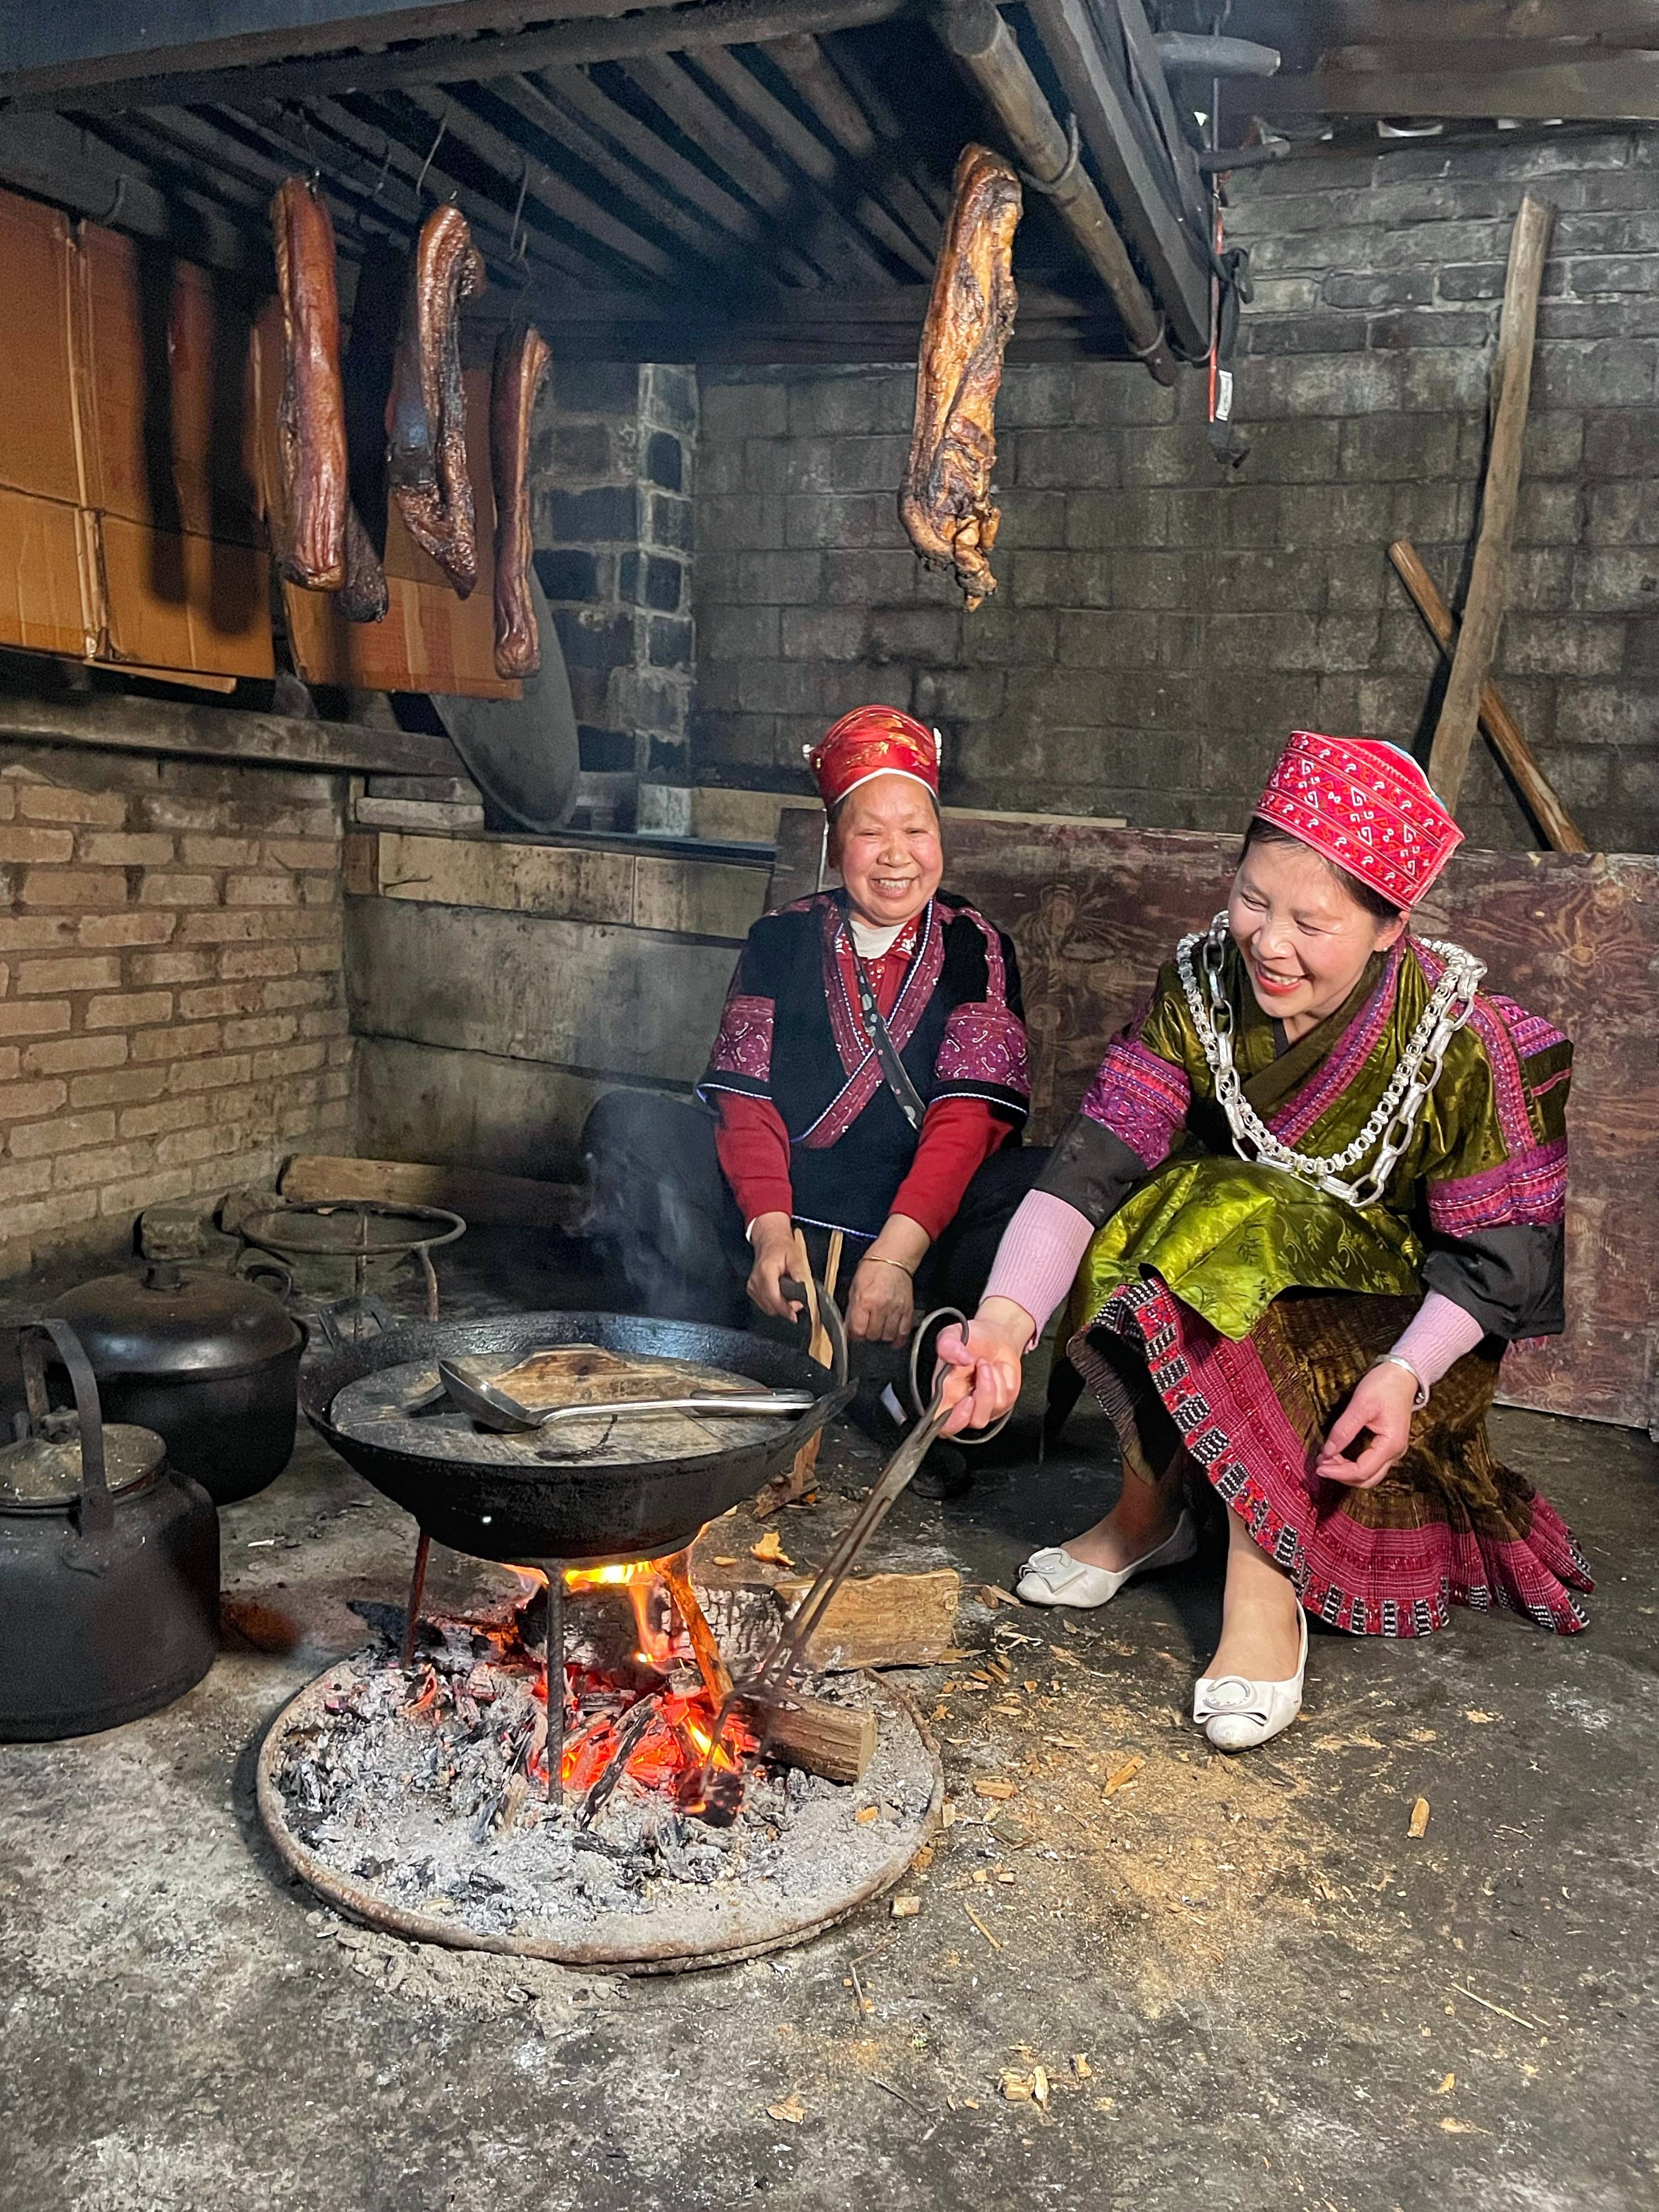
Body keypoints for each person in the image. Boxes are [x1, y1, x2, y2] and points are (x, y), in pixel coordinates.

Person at [937, 728, 1590, 1750]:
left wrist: (1406, 1375)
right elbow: (1097, 1158)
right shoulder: (1200, 986)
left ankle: (1262, 1585)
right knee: (1171, 1212)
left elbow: (1495, 1262)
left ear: (1389, 925)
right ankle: (1149, 1509)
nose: (1266, 942)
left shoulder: (1467, 1041)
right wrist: (999, 1319)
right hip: (1228, 1273)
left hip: (1388, 1334)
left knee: (1226, 1213)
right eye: (1251, 898)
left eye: (1309, 921)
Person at [583, 704, 1045, 1485]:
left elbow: (966, 1123)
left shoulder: (978, 946)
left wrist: (896, 1259)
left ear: (941, 839)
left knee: (1033, 1185)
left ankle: (916, 1374)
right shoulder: (780, 937)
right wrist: (767, 1230)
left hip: (912, 1239)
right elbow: (744, 1101)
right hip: (782, 1229)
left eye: (916, 831)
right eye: (871, 831)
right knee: (624, 1123)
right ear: (836, 843)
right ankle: (711, 1350)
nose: (896, 856)